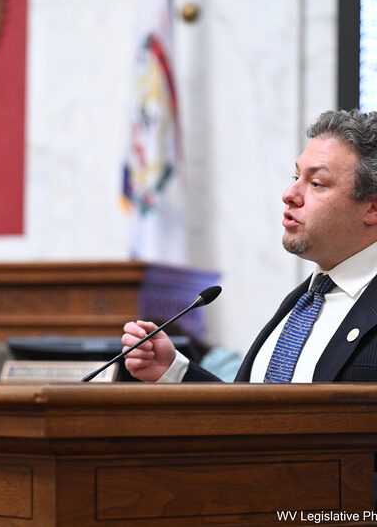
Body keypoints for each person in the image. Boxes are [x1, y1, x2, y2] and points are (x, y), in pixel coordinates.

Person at [122, 109, 377, 383]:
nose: (289, 194)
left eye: (316, 183)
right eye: (296, 177)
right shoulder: (302, 302)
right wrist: (174, 371)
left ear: (371, 207)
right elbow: (253, 417)